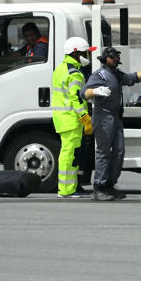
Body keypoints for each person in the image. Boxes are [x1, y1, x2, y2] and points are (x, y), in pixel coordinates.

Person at [82, 46, 141, 201]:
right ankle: (99, 186)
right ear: (105, 58)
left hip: (115, 117)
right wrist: (94, 91)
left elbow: (132, 77)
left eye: (117, 56)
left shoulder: (116, 74)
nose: (116, 59)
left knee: (119, 151)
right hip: (103, 117)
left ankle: (109, 184)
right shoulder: (99, 75)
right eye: (113, 56)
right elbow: (83, 92)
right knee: (103, 152)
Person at [51, 37, 96, 198]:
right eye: (85, 53)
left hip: (62, 118)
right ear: (76, 53)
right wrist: (85, 118)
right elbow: (76, 99)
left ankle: (69, 187)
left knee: (68, 153)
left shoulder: (61, 69)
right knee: (70, 154)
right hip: (71, 119)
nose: (87, 56)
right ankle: (66, 190)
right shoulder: (75, 73)